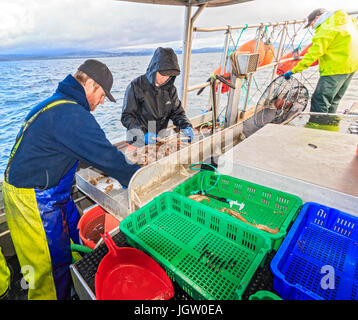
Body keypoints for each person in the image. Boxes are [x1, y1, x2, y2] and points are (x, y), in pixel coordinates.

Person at [2, 59, 140, 300]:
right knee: (48, 269)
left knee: (74, 236)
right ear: (91, 85)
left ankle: (77, 283)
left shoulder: (57, 104)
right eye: (103, 94)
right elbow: (107, 156)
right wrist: (139, 179)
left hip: (51, 191)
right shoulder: (72, 114)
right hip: (33, 199)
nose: (102, 101)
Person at [284, 8, 358, 117]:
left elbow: (313, 54)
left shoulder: (326, 28)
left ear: (318, 18)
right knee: (334, 100)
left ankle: (317, 130)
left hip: (335, 69)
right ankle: (329, 129)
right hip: (351, 67)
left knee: (319, 101)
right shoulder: (347, 21)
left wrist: (294, 70)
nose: (313, 27)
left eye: (312, 23)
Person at [121, 47, 194, 146]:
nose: (165, 78)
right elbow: (127, 117)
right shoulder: (135, 86)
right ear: (154, 69)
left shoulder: (171, 90)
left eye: (169, 75)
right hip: (138, 140)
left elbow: (178, 113)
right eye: (162, 74)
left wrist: (187, 126)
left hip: (160, 139)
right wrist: (142, 135)